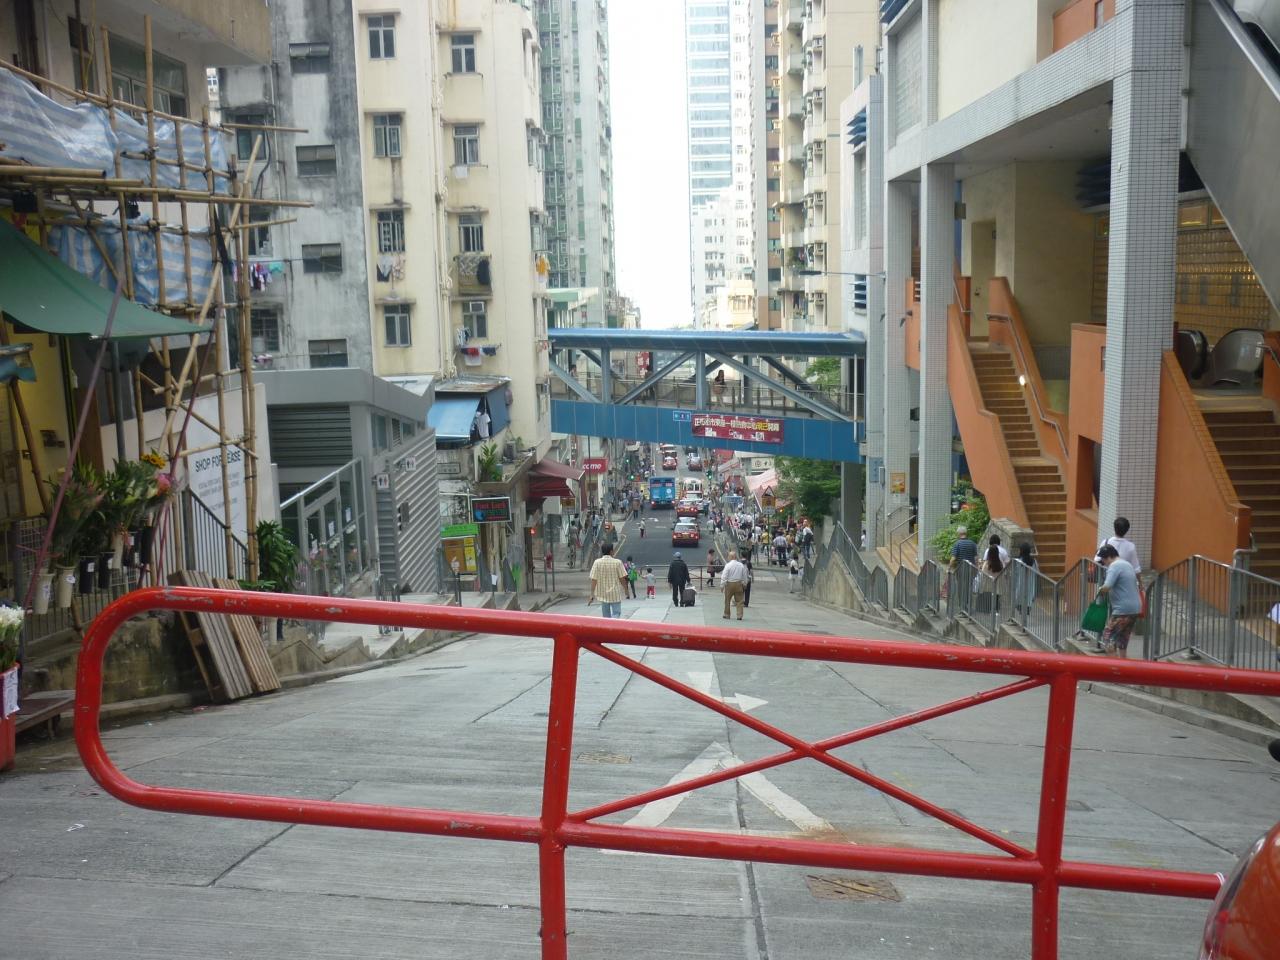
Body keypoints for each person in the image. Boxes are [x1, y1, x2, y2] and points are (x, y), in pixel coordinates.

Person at [1096, 543, 1142, 656]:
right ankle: (1123, 663)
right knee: (1122, 640)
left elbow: (1107, 586)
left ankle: (1114, 665)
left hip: (1122, 609)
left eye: (1103, 560)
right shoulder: (1127, 564)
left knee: (1107, 637)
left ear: (1108, 557)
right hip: (1135, 608)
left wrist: (1100, 590)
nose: (1104, 563)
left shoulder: (1114, 566)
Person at [588, 542, 628, 619]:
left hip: (602, 593)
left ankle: (609, 625)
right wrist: (626, 589)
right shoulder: (618, 562)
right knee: (616, 613)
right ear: (611, 551)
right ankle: (614, 624)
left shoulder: (597, 562)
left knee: (606, 616)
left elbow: (594, 579)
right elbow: (622, 578)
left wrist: (592, 594)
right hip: (615, 593)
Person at [720, 550, 748, 620]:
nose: (728, 557)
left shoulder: (728, 565)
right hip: (739, 584)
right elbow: (744, 575)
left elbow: (724, 576)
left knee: (727, 600)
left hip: (729, 584)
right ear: (735, 557)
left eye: (729, 556)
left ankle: (727, 614)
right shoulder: (741, 565)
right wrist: (745, 583)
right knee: (739, 601)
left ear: (731, 557)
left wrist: (722, 585)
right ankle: (739, 615)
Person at [1014, 542, 1038, 615]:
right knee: (1028, 598)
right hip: (1030, 584)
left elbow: (1016, 571)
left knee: (1020, 597)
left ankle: (1021, 614)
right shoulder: (1034, 561)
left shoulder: (1019, 561)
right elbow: (1037, 571)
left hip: (1020, 583)